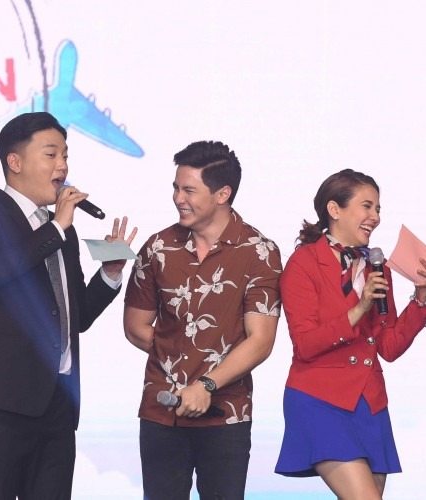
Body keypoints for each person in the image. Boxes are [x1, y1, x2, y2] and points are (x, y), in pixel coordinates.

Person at [0, 111, 136, 499]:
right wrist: (56, 227)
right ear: (15, 162)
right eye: (51, 155)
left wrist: (109, 273)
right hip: (1, 403)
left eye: (65, 156)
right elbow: (0, 270)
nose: (63, 166)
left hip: (57, 403)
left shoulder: (62, 229)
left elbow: (76, 316)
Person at [123, 141, 282, 500]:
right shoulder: (158, 247)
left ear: (223, 194)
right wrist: (179, 355)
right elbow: (135, 326)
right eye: (176, 188)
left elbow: (260, 340)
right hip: (161, 411)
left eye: (189, 190)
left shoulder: (259, 251)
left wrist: (206, 384)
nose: (178, 198)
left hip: (226, 415)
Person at [274, 169, 426, 499]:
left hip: (369, 402)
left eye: (378, 208)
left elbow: (388, 346)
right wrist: (359, 308)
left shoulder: (378, 269)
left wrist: (421, 300)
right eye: (367, 206)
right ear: (335, 209)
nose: (375, 217)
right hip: (321, 399)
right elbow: (306, 344)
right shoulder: (304, 263)